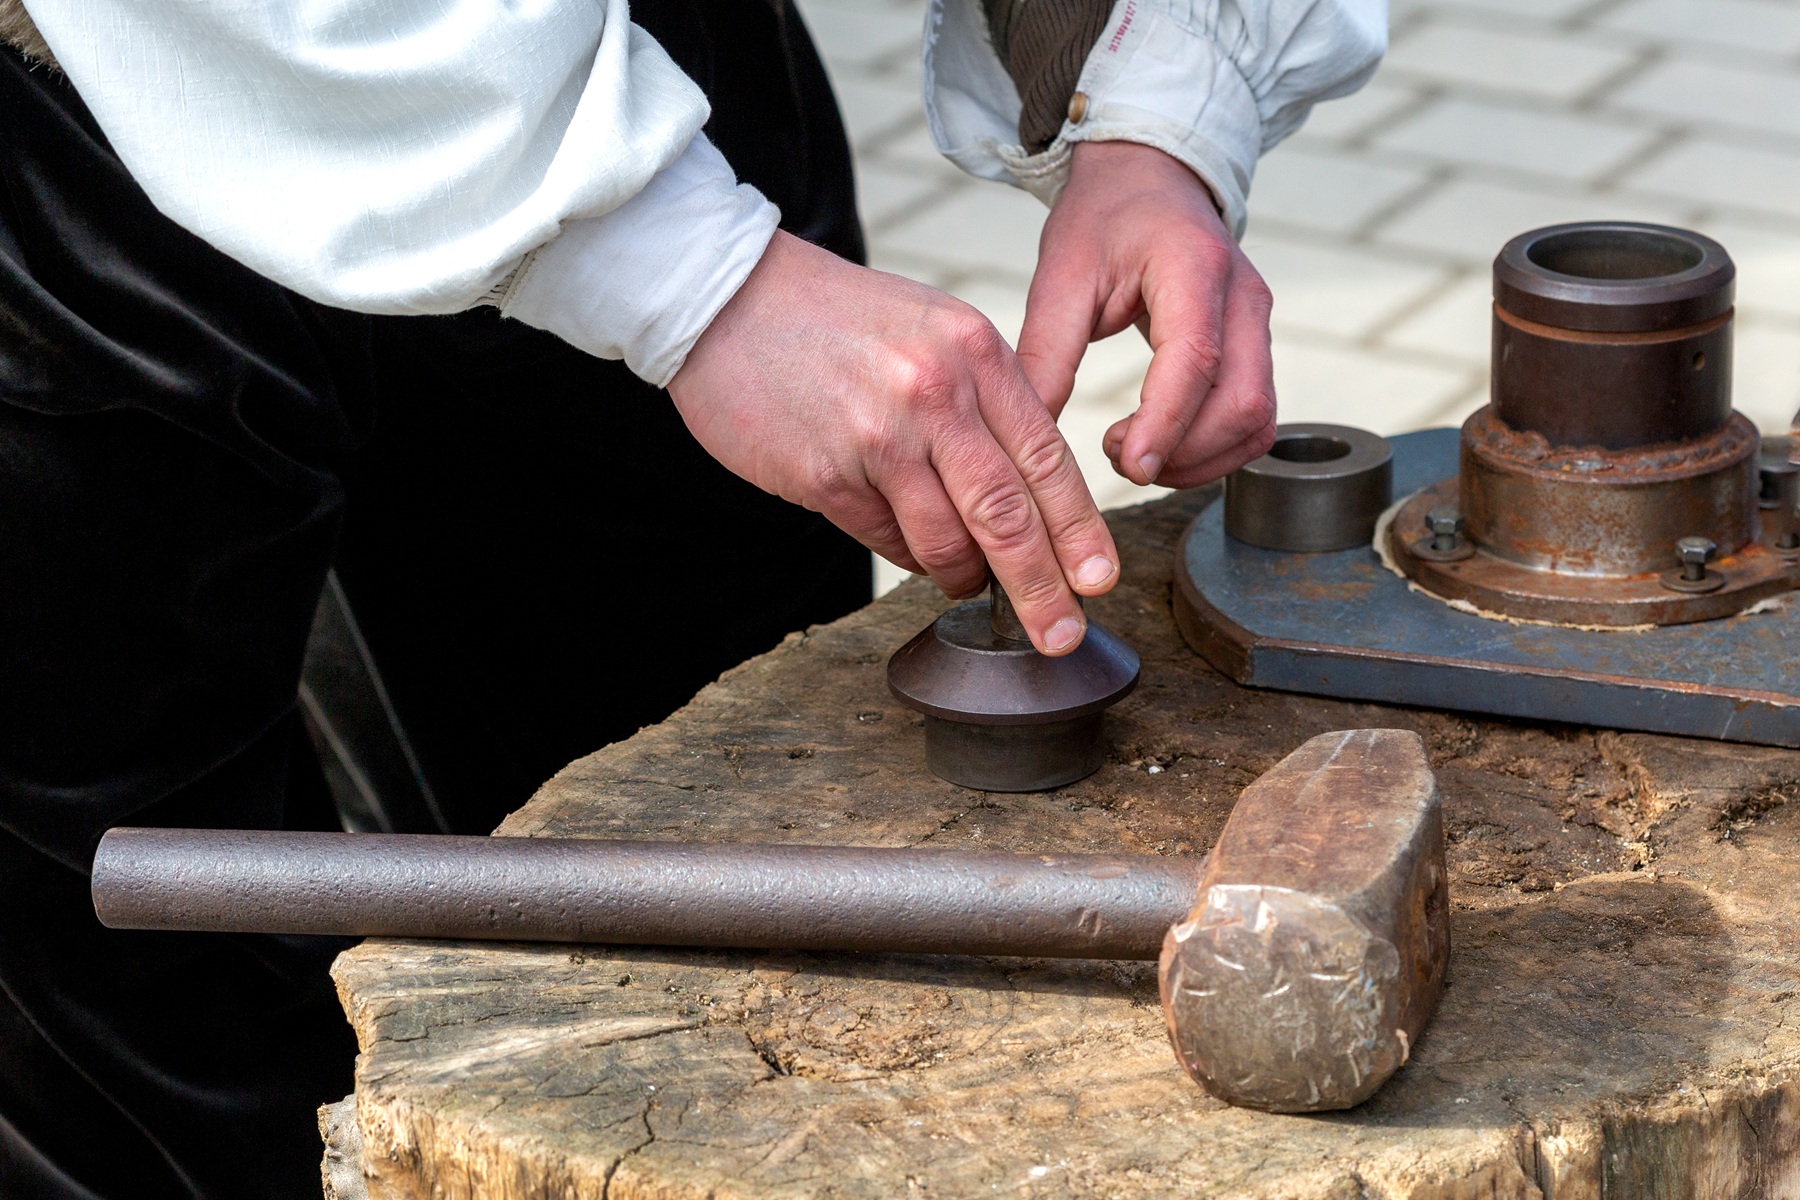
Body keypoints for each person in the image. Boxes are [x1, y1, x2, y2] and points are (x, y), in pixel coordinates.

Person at [0, 0, 1383, 1193]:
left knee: (691, 1003)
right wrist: (691, 278)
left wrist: (1149, 110)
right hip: (88, 113)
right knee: (142, 1061)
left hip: (644, 80)